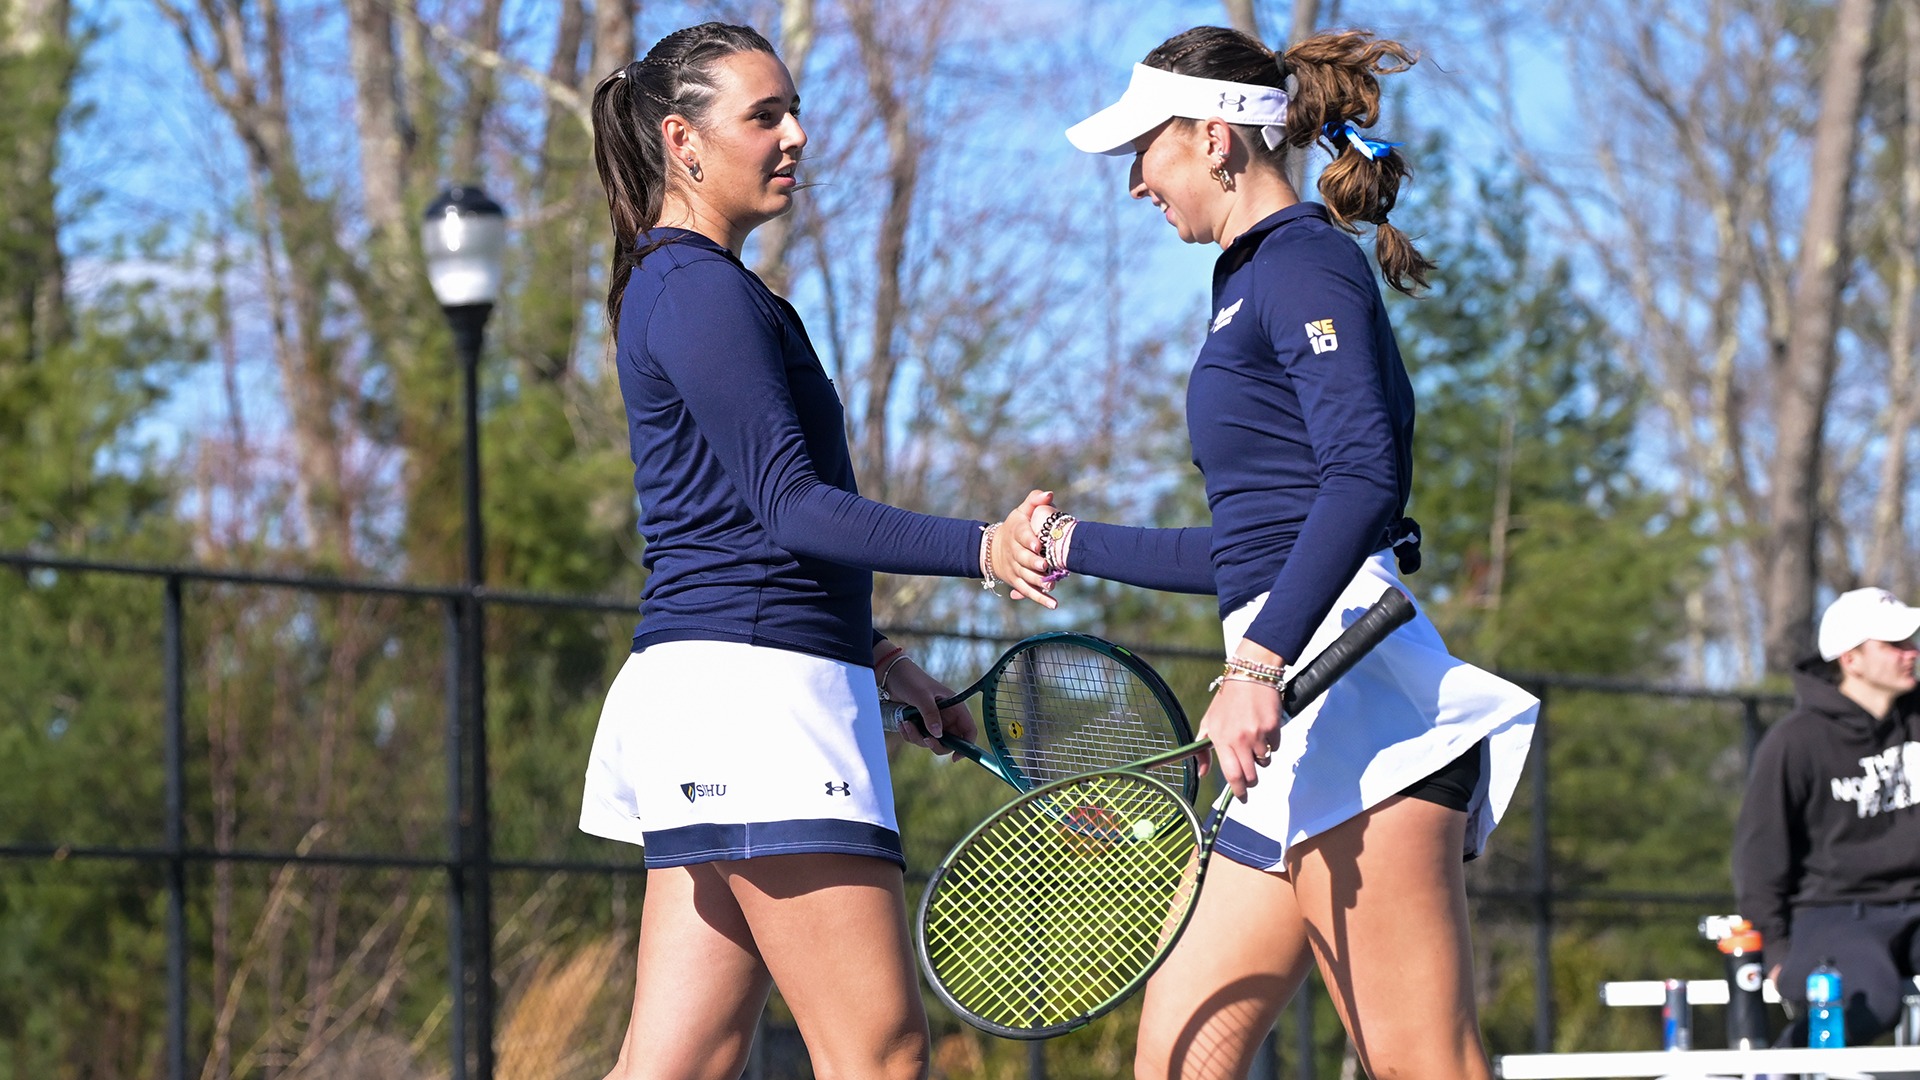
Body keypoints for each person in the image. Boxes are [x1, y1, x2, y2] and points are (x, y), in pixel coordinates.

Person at [1019, 26, 1540, 1080]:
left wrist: (1257, 665)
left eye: (1143, 153)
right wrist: (1073, 545)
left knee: (1419, 1064)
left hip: (1359, 704)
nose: (1133, 183)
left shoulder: (1305, 265)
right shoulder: (1242, 284)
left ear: (1216, 138)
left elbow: (1363, 481)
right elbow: (1254, 544)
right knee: (1176, 1060)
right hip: (1289, 721)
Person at [576, 23, 1054, 1080]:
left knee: (677, 1064)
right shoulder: (698, 289)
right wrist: (982, 548)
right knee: (877, 1055)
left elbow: (742, 519)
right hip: (760, 707)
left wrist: (881, 658)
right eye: (764, 115)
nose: (795, 135)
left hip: (724, 696)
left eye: (794, 111)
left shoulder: (691, 287)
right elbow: (792, 510)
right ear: (682, 141)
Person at [1734, 586, 1920, 1047]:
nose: (1910, 653)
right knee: (1869, 1000)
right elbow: (1759, 858)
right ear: (1851, 658)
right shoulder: (1795, 742)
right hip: (1835, 915)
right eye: (1893, 645)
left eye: (1911, 641)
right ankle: (1780, 1070)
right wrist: (1775, 951)